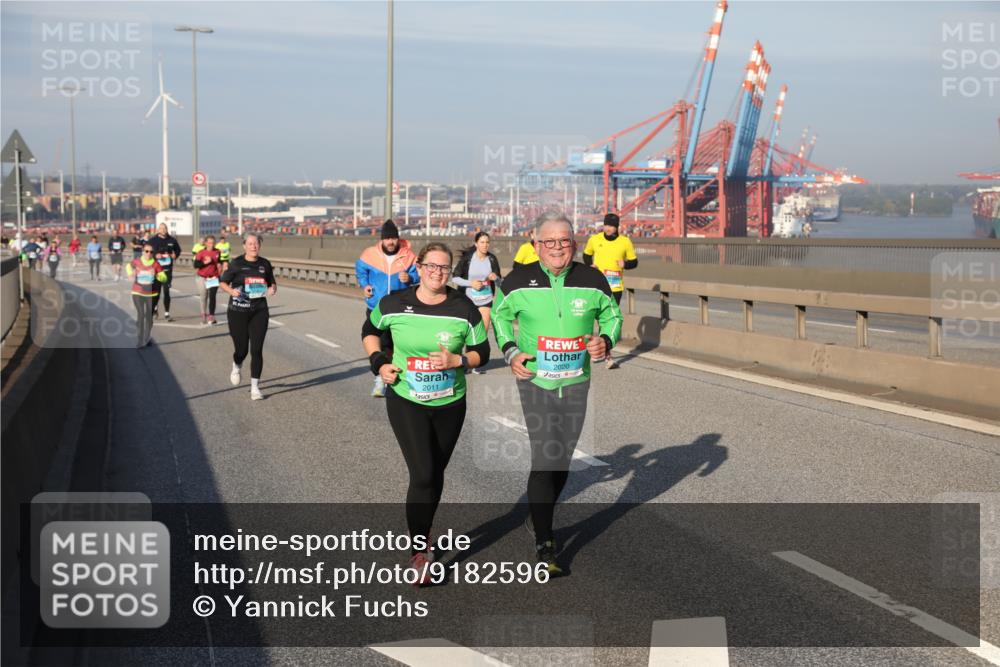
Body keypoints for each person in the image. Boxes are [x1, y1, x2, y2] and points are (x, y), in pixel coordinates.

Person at [492, 211, 623, 575]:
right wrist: (511, 351)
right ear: (536, 245)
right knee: (546, 453)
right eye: (548, 241)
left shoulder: (592, 278)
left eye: (563, 241)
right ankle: (545, 542)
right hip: (535, 379)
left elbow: (613, 316)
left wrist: (605, 340)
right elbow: (500, 318)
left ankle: (539, 514)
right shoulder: (518, 280)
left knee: (563, 458)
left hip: (577, 379)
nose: (556, 248)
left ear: (574, 245)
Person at [361, 242, 489, 585]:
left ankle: (425, 530)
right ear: (419, 267)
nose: (437, 273)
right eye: (431, 266)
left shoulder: (464, 308)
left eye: (444, 268)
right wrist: (380, 364)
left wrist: (458, 361)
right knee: (422, 474)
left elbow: (482, 352)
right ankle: (420, 551)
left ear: (450, 273)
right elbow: (370, 331)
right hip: (406, 399)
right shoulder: (394, 303)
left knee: (435, 474)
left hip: (450, 403)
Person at [355, 220, 419, 397]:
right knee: (381, 343)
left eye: (394, 238)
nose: (391, 242)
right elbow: (360, 271)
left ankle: (398, 376)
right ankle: (380, 378)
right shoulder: (369, 254)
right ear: (382, 239)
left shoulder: (409, 256)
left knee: (398, 344)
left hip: (401, 308)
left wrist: (410, 277)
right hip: (377, 306)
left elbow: (418, 273)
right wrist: (365, 285)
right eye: (388, 238)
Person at [220, 234, 277, 401]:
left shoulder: (264, 264)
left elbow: (271, 282)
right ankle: (237, 364)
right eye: (250, 244)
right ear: (244, 246)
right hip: (238, 311)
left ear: (260, 245)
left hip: (259, 311)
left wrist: (272, 289)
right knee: (242, 349)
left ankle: (255, 388)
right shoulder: (236, 263)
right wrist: (231, 291)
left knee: (257, 349)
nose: (253, 246)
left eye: (256, 243)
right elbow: (223, 282)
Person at [582, 213, 638, 369]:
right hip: (597, 285)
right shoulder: (595, 239)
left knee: (607, 321)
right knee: (590, 318)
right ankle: (588, 349)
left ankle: (607, 355)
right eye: (606, 225)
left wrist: (625, 264)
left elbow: (634, 262)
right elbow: (586, 255)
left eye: (611, 225)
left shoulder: (625, 242)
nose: (608, 228)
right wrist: (590, 266)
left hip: (615, 287)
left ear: (617, 227)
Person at [451, 231, 501, 374]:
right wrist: (470, 283)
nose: (485, 245)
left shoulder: (492, 259)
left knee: (482, 332)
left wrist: (495, 277)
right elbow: (455, 278)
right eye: (482, 242)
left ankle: (475, 363)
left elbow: (499, 282)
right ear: (476, 244)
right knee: (467, 331)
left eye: (487, 242)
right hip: (468, 300)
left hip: (486, 299)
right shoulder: (468, 259)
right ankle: (465, 360)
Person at [126, 242, 169, 348]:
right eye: (146, 251)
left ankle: (147, 337)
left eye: (151, 252)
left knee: (149, 317)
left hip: (151, 293)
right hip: (137, 291)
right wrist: (131, 274)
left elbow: (164, 277)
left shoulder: (155, 264)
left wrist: (157, 275)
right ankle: (140, 339)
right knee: (141, 314)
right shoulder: (137, 262)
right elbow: (128, 266)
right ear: (143, 251)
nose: (149, 253)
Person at [148, 223, 182, 321]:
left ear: (167, 229)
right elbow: (146, 252)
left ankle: (167, 313)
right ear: (158, 230)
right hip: (156, 270)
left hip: (167, 270)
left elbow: (178, 250)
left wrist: (175, 255)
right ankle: (154, 309)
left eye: (165, 228)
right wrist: (155, 255)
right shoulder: (152, 240)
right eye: (161, 228)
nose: (163, 230)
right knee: (156, 293)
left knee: (166, 292)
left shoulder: (172, 240)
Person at [193, 235, 223, 324]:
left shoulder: (217, 252)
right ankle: (203, 314)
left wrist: (221, 265)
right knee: (204, 296)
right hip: (202, 277)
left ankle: (211, 316)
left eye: (213, 243)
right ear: (205, 243)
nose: (211, 245)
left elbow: (219, 261)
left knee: (212, 296)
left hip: (213, 277)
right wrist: (205, 262)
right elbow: (196, 265)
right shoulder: (201, 252)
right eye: (209, 243)